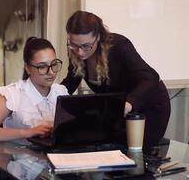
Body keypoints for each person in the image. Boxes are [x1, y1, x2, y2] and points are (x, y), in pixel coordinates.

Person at [61, 11, 171, 149]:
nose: (80, 52)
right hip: (116, 110)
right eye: (74, 45)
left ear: (98, 37)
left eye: (86, 46)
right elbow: (70, 83)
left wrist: (129, 103)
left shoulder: (119, 46)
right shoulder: (76, 51)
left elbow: (150, 77)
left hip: (148, 107)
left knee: (135, 155)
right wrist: (50, 98)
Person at [0, 37, 68, 141]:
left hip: (55, 156)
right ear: (27, 68)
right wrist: (28, 132)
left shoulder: (61, 91)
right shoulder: (13, 94)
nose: (51, 72)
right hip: (20, 156)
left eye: (54, 64)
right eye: (42, 67)